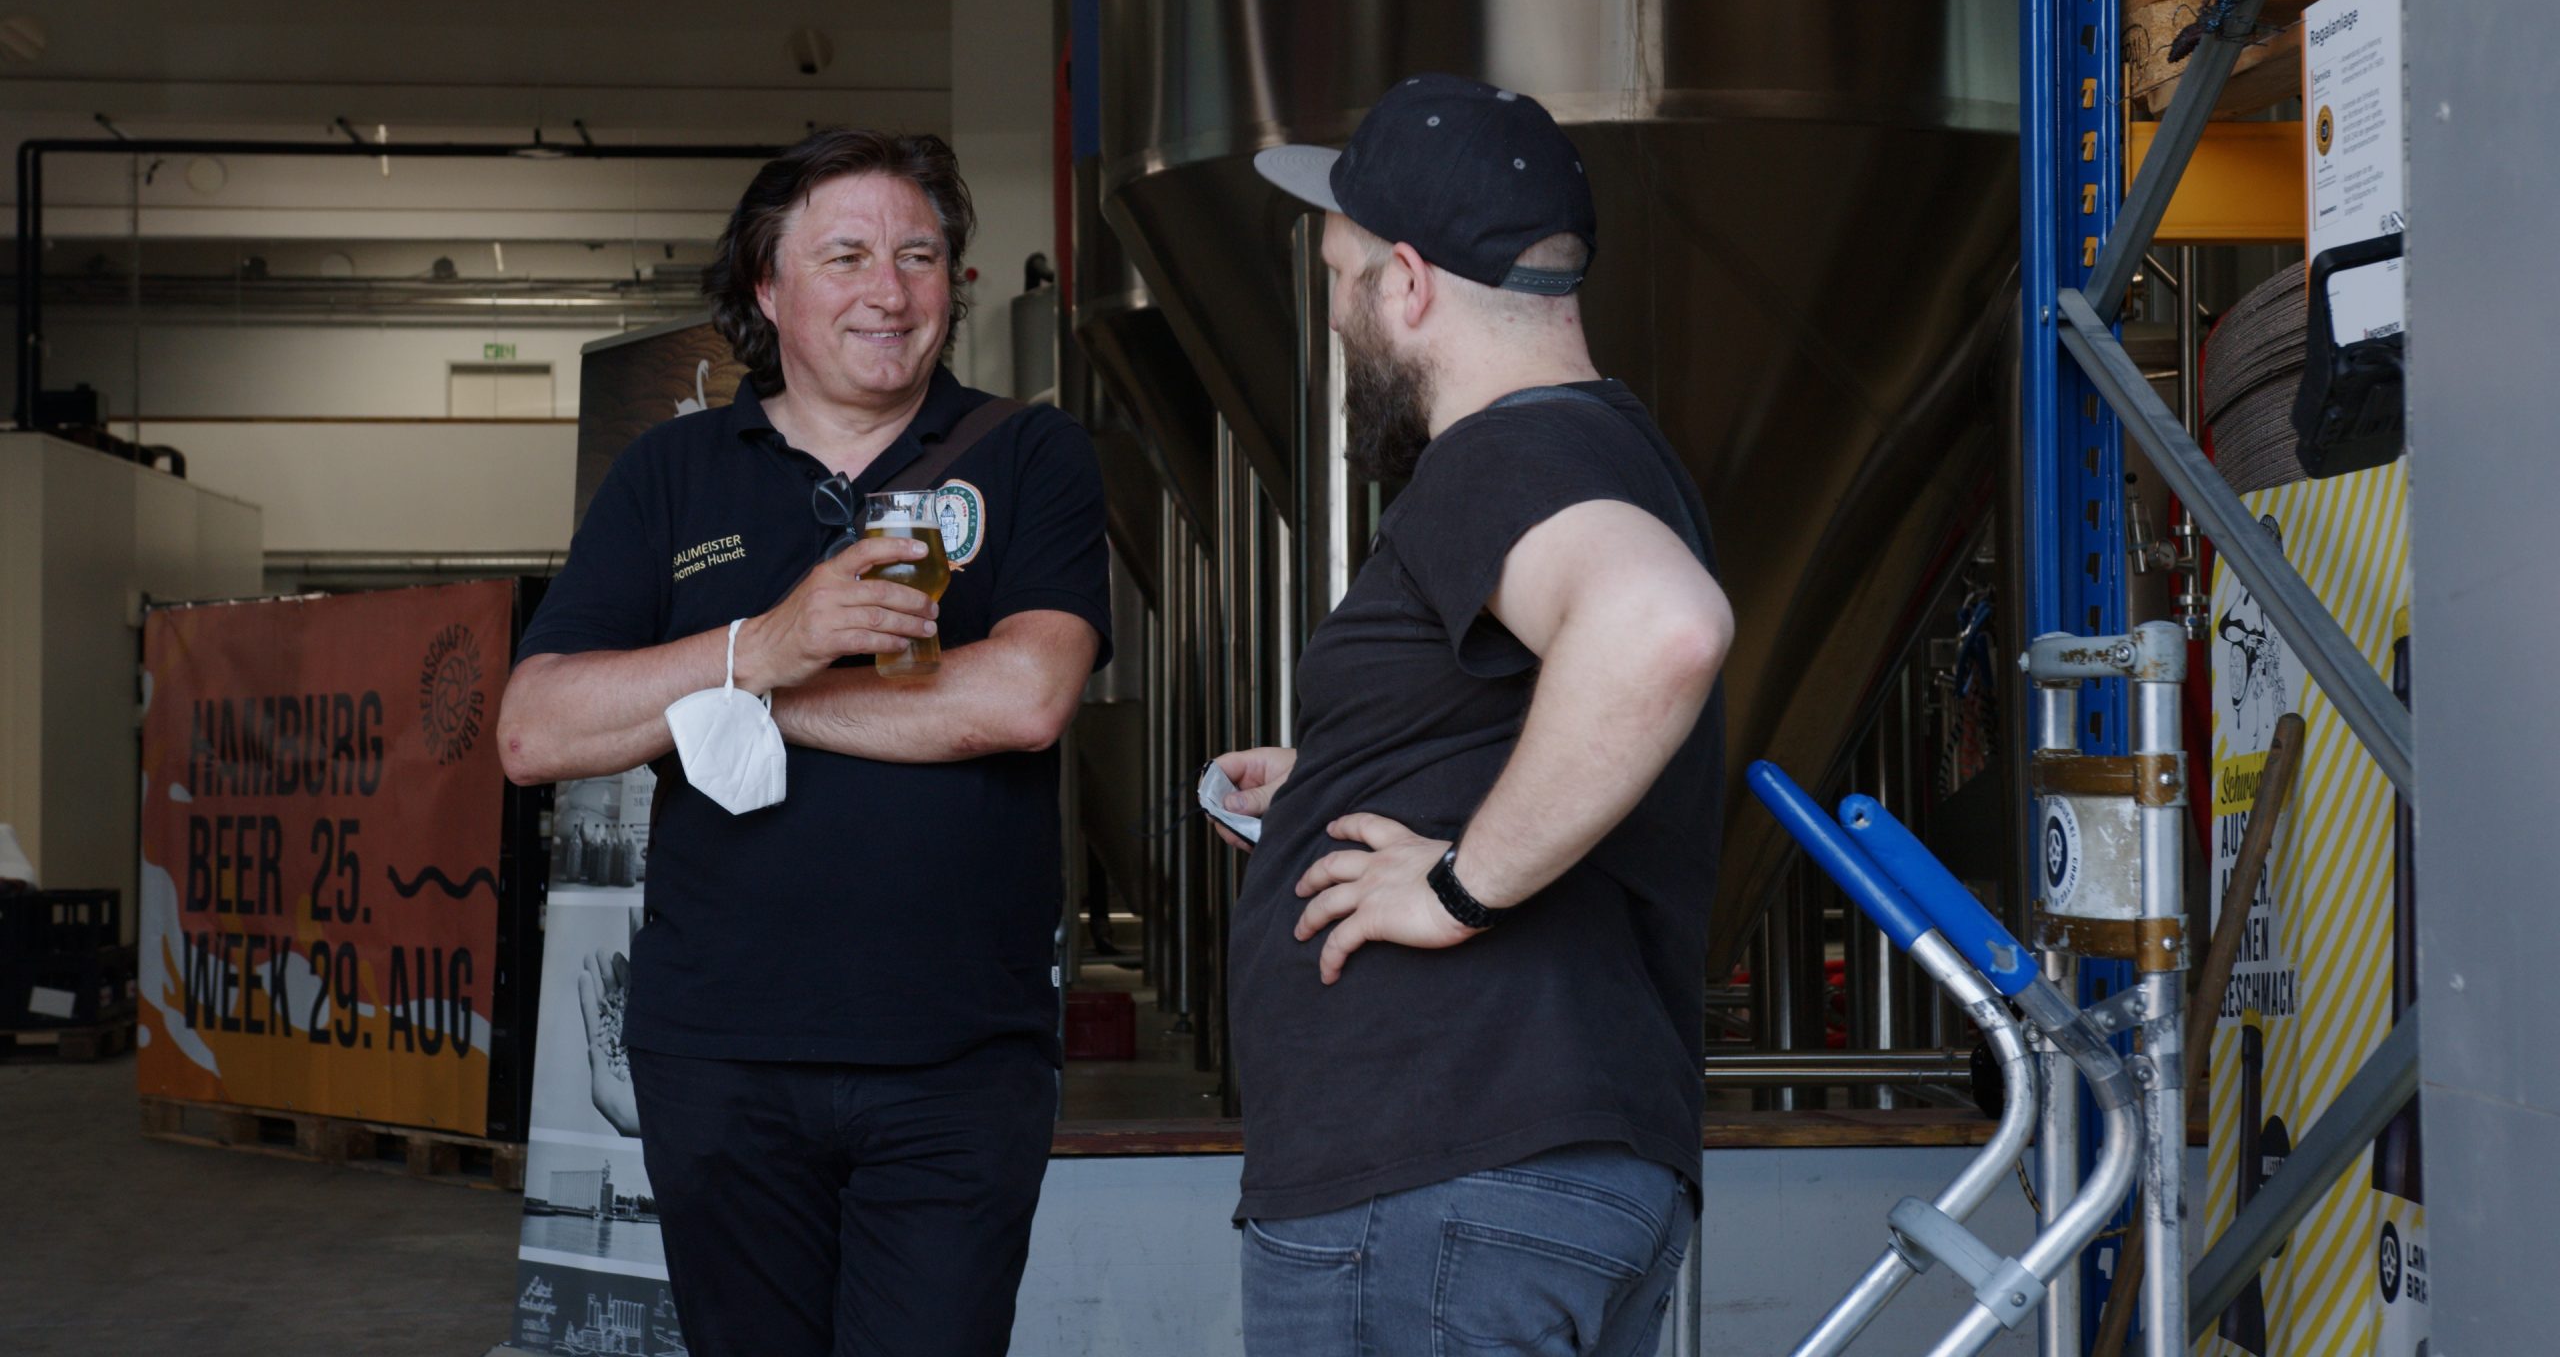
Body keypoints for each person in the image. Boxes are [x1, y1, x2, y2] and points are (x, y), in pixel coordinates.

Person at [496, 128, 1111, 1357]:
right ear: (767, 289)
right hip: (721, 1056)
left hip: (957, 1057)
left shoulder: (1027, 451)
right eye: (845, 256)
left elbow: (1024, 696)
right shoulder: (672, 474)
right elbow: (534, 728)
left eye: (919, 255)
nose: (889, 292)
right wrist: (755, 645)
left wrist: (748, 704)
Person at [1218, 74, 1734, 1355]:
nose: (1338, 316)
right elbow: (1546, 703)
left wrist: (1455, 887)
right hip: (1529, 1172)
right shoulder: (1605, 452)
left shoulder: (1498, 455)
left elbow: (1661, 631)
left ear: (1406, 283)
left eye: (1338, 278)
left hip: (1438, 1179)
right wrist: (1340, 772)